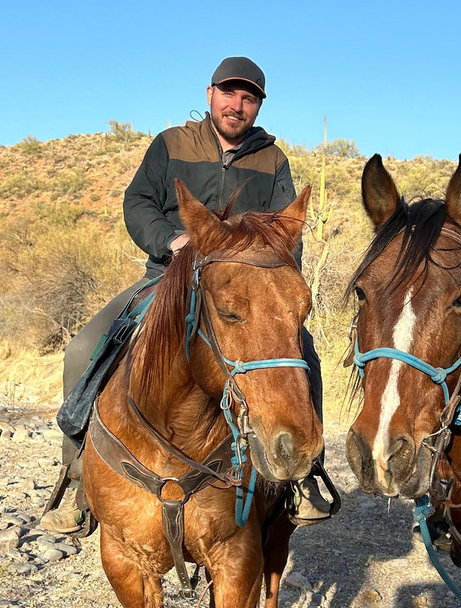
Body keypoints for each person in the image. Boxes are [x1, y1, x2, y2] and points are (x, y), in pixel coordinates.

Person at [41, 56, 334, 534]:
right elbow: (136, 203)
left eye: (248, 98)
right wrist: (171, 241)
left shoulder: (272, 160)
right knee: (82, 347)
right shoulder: (171, 145)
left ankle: (303, 473)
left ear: (258, 106)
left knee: (305, 355)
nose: (236, 106)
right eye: (229, 94)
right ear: (209, 94)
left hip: (242, 289)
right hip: (168, 275)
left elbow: (286, 231)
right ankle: (77, 476)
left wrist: (266, 275)